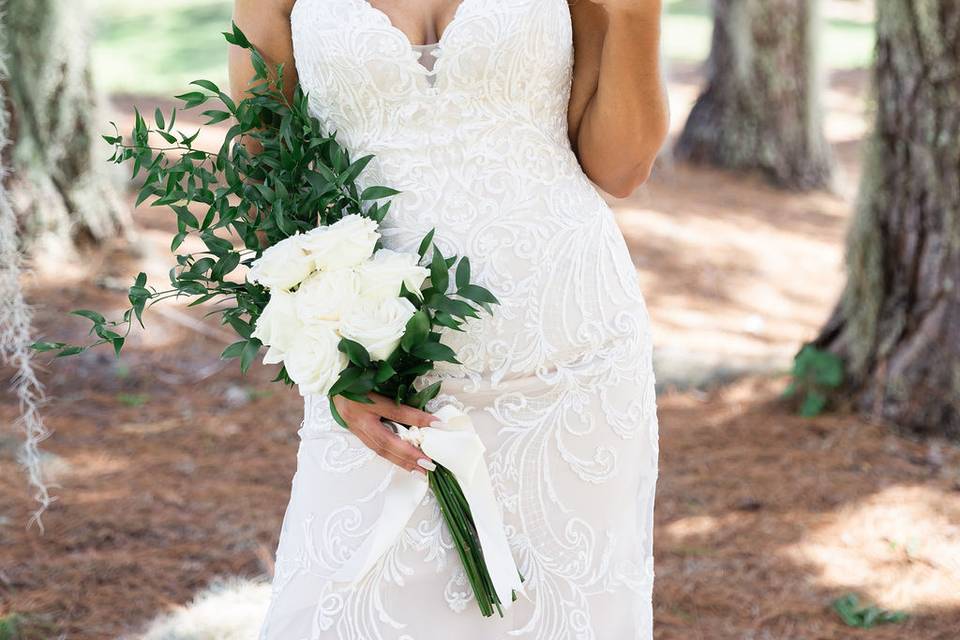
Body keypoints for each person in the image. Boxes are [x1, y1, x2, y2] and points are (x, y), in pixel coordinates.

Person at [229, 0, 669, 637]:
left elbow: (620, 167)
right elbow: (262, 165)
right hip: (382, 374)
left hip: (572, 359)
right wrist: (329, 364)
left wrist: (636, 14)